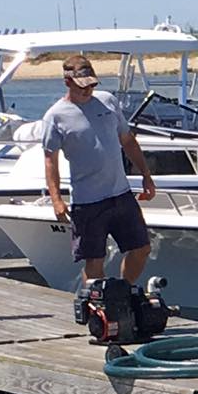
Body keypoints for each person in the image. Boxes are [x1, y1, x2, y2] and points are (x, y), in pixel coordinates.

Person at [40, 53, 157, 316]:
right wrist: (56, 199)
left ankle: (121, 296)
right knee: (95, 260)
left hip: (121, 193)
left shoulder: (107, 101)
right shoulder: (55, 116)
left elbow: (127, 140)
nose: (88, 90)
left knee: (141, 248)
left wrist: (146, 175)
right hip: (88, 201)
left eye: (92, 84)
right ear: (67, 82)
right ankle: (98, 310)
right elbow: (50, 160)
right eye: (83, 86)